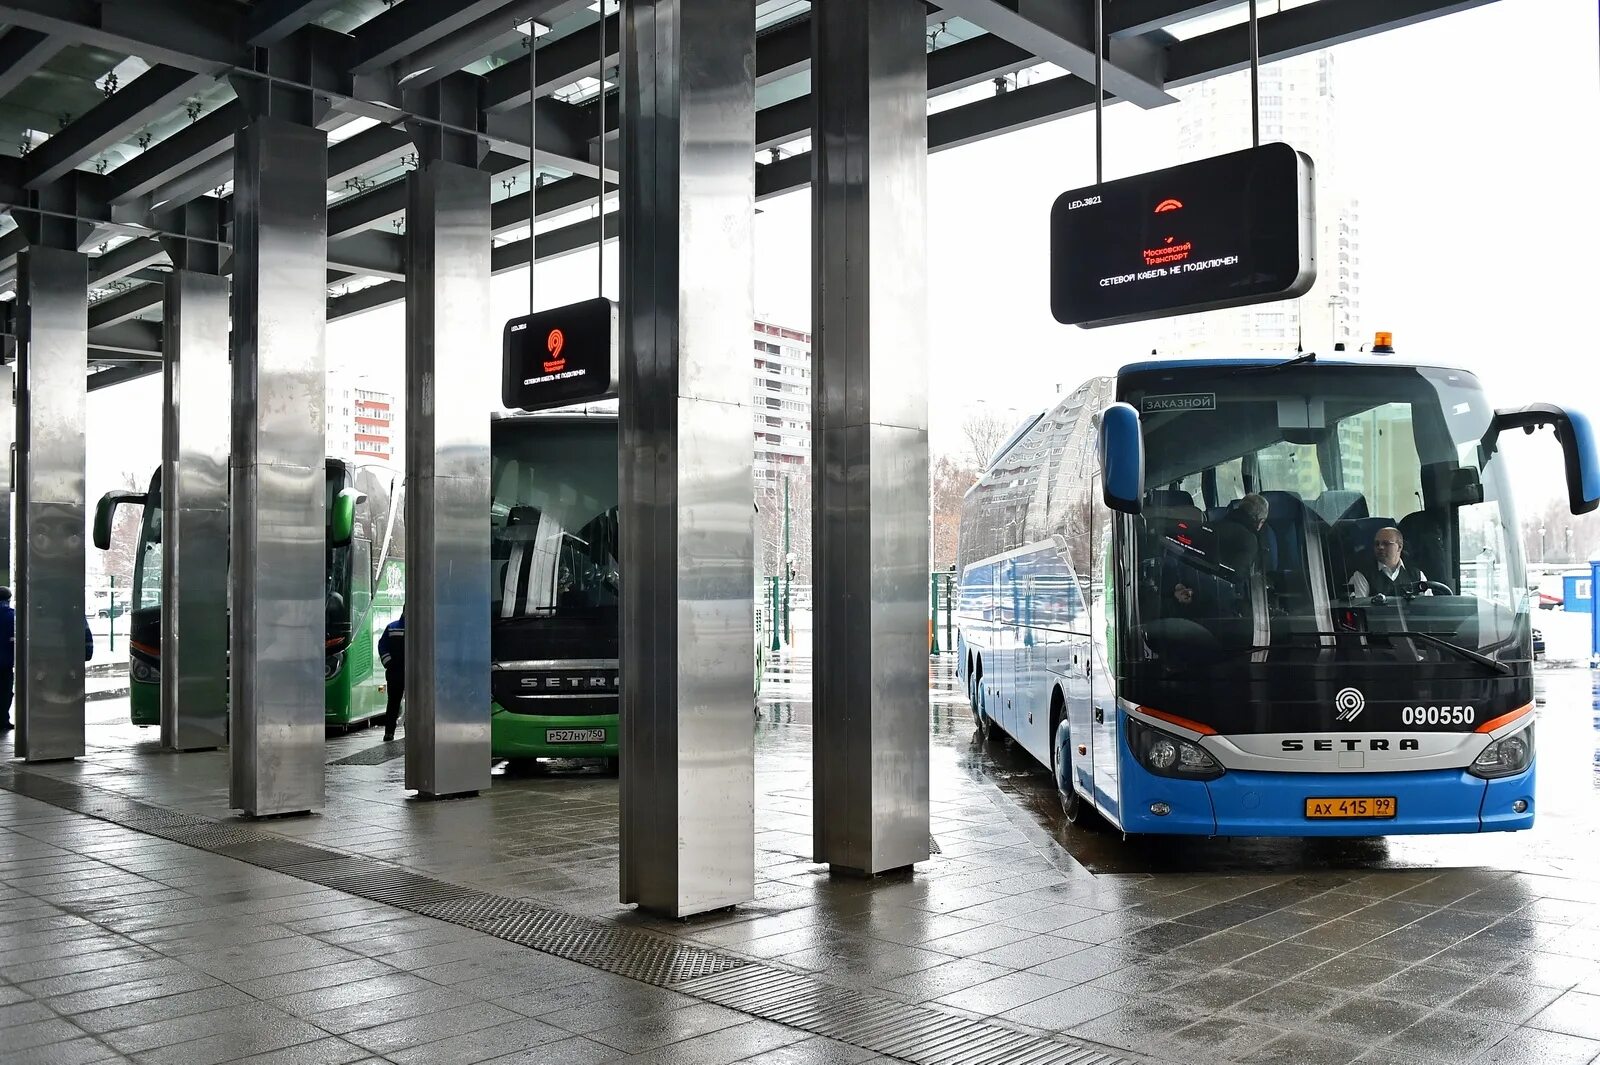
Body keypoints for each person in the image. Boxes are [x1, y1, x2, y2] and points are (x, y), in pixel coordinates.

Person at [0, 589, 92, 732]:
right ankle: (4, 720)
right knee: (5, 691)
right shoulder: (12, 615)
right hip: (9, 663)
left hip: (39, 660)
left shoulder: (31, 615)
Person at [1350, 526, 1429, 598]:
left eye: (1386, 543)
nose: (1380, 547)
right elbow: (1360, 608)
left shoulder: (1417, 575)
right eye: (1377, 544)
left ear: (1399, 547)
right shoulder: (1363, 574)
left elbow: (1429, 606)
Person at [378, 608, 404, 742]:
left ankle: (389, 732)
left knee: (393, 703)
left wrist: (389, 663)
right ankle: (409, 729)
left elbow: (382, 646)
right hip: (412, 672)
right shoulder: (420, 629)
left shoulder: (392, 628)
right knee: (414, 703)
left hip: (394, 672)